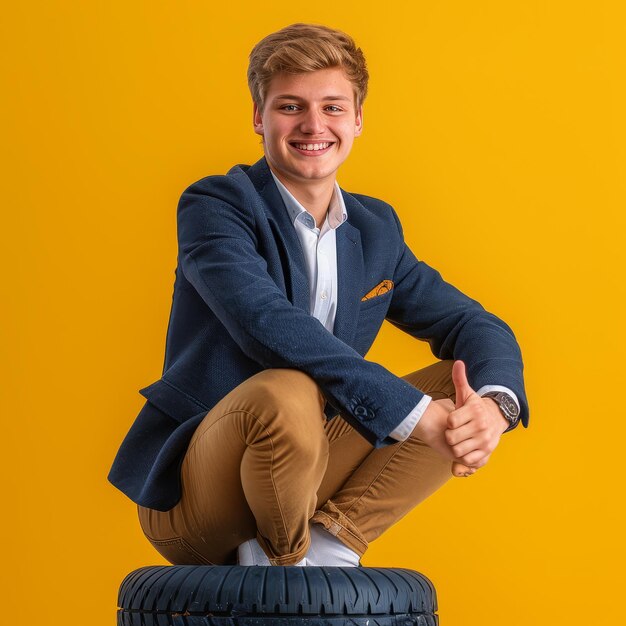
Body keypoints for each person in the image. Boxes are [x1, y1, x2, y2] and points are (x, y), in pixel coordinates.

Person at [108, 23, 528, 567]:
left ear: (357, 120)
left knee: (460, 388)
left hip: (309, 479)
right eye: (290, 106)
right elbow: (267, 323)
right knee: (286, 389)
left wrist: (493, 409)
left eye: (333, 108)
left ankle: (329, 547)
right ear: (259, 118)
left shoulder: (375, 228)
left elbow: (475, 325)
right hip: (201, 494)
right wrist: (411, 414)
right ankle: (283, 564)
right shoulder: (217, 205)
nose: (313, 125)